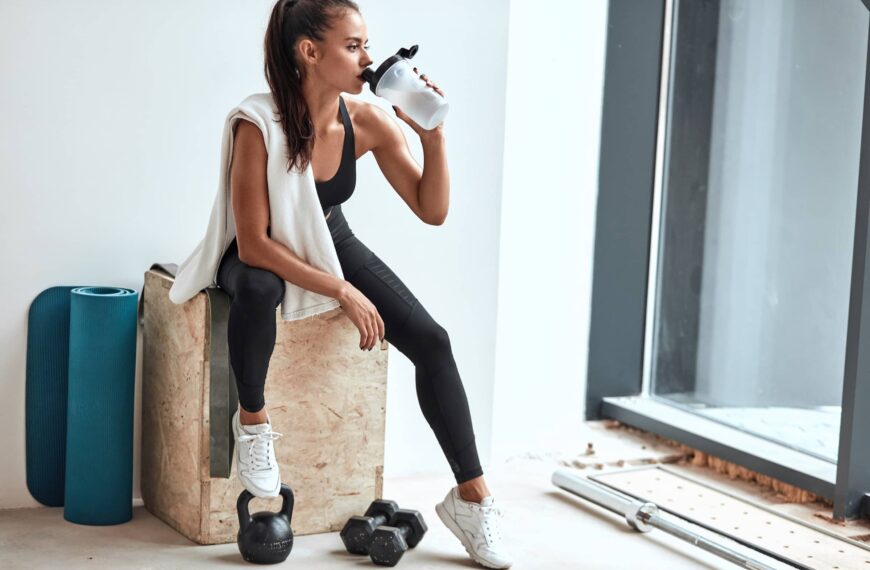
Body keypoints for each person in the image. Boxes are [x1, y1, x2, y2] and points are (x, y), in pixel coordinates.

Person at [217, 1, 512, 567]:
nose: (369, 59)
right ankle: (252, 423)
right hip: (260, 250)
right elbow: (254, 243)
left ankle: (471, 499)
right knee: (258, 288)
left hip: (330, 239)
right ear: (309, 52)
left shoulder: (368, 121)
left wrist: (433, 136)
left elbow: (432, 210)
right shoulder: (258, 124)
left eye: (367, 46)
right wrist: (341, 290)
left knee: (433, 341)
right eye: (353, 47)